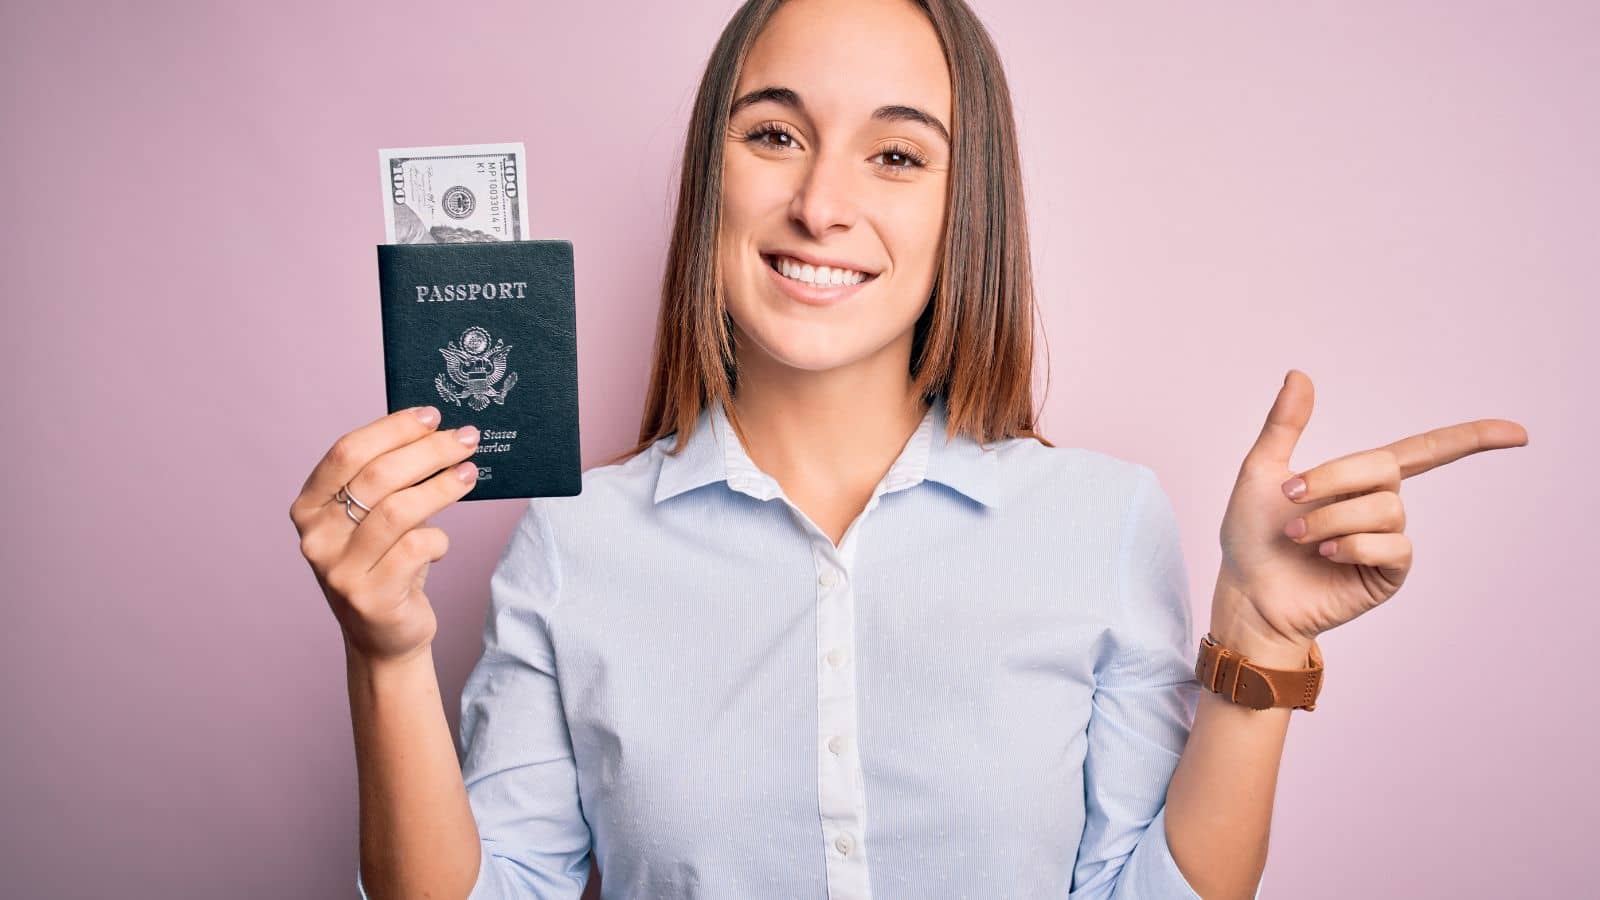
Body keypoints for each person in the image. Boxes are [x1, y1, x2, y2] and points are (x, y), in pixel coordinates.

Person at [290, 1, 1529, 898]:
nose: (823, 203)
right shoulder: (575, 542)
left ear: (963, 206)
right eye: (772, 134)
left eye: (895, 155)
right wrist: (386, 655)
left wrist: (1260, 649)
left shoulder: (1102, 523)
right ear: (708, 180)